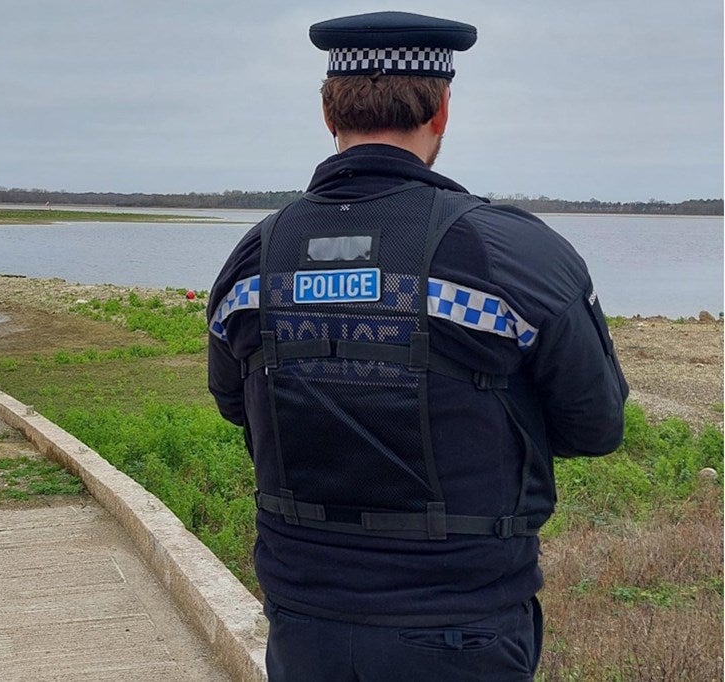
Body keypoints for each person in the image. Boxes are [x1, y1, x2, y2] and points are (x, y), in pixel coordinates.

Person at [206, 11, 629, 682]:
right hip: (460, 628)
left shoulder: (255, 258)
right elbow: (596, 425)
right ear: (441, 111)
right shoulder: (515, 255)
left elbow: (238, 403)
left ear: (328, 113)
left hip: (305, 625)